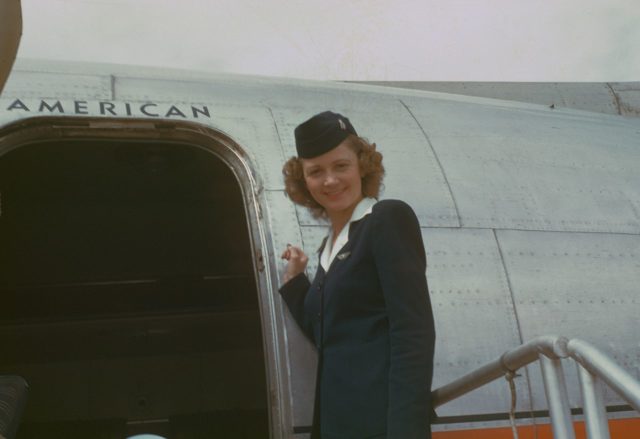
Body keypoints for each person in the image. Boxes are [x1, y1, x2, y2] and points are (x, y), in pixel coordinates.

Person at [279, 111, 435, 439]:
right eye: (315, 172)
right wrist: (296, 283)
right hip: (338, 422)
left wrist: (406, 431)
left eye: (341, 166)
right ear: (304, 182)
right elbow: (327, 330)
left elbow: (413, 332)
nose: (330, 181)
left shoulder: (386, 219)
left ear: (362, 166)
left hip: (379, 423)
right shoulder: (329, 248)